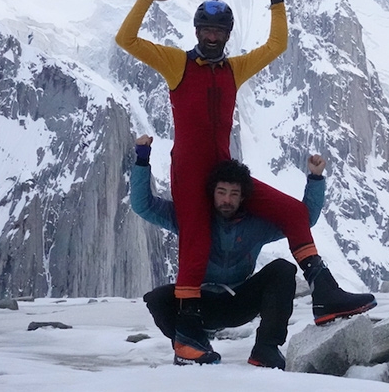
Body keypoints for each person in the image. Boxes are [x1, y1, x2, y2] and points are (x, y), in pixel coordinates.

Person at [116, 0, 375, 365]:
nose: (211, 38)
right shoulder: (177, 63)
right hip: (189, 174)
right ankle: (188, 336)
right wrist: (146, 0)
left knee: (291, 212)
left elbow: (276, 47)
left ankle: (324, 291)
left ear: (227, 36)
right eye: (206, 31)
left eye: (218, 32)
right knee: (196, 240)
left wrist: (277, 2)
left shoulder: (234, 70)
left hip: (226, 175)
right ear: (196, 31)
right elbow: (127, 40)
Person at [131, 135, 327, 368]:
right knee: (157, 299)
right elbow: (143, 205)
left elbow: (302, 220)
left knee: (283, 270)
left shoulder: (257, 224)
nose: (227, 200)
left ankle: (266, 348)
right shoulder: (190, 219)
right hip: (196, 304)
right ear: (211, 193)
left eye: (234, 194)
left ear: (243, 197)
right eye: (221, 192)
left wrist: (315, 179)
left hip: (239, 302)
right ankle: (194, 345)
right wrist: (142, 161)